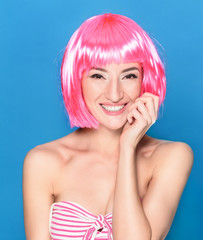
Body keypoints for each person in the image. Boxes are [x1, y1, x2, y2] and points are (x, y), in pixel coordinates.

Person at [23, 13, 194, 240]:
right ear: (77, 80)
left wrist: (127, 146)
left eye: (129, 75)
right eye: (98, 76)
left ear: (144, 80)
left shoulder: (171, 156)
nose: (114, 94)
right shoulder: (43, 161)